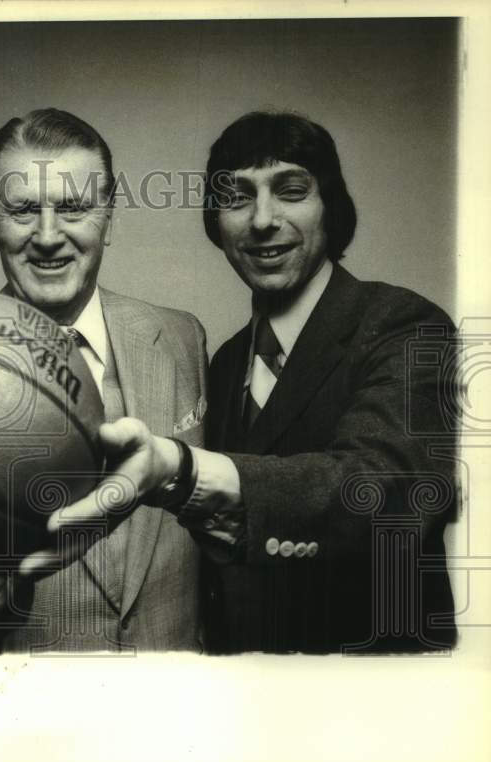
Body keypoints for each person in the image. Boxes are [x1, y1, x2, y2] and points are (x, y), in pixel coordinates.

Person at [54, 111, 458, 654]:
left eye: (290, 191)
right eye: (238, 197)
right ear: (215, 221)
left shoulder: (405, 324)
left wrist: (185, 468)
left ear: (331, 208)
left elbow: (384, 490)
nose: (262, 220)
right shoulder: (222, 363)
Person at [0, 109, 209, 651]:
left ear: (110, 216)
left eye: (74, 208)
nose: (47, 236)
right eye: (22, 210)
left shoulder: (182, 337)